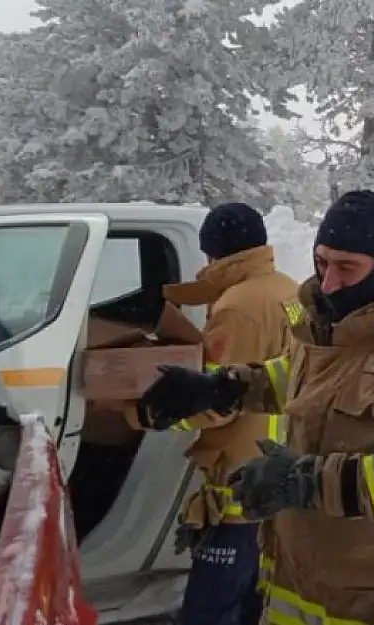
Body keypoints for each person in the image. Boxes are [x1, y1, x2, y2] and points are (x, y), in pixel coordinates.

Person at [135, 190, 374, 625]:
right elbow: (302, 379)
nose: (328, 282)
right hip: (309, 579)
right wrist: (221, 388)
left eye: (347, 268)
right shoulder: (331, 322)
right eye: (322, 262)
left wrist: (303, 482)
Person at [128, 202, 301, 625]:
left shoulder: (238, 307)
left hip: (241, 479)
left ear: (215, 254)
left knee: (209, 611)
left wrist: (146, 415)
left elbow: (219, 403)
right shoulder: (286, 289)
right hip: (276, 469)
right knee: (251, 603)